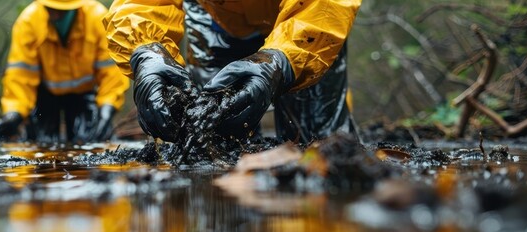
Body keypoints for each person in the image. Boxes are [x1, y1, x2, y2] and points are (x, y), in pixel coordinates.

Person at [103, 0, 360, 143]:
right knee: (209, 137)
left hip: (307, 21)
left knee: (320, 145)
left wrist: (282, 62)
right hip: (213, 17)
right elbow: (140, 4)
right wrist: (146, 51)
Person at [0, 0, 129, 143]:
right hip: (45, 96)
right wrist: (14, 114)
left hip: (84, 95)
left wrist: (107, 109)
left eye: (60, 11)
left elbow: (111, 72)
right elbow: (20, 75)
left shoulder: (97, 18)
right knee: (41, 146)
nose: (54, 15)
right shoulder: (28, 22)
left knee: (91, 142)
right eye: (49, 9)